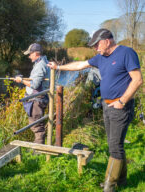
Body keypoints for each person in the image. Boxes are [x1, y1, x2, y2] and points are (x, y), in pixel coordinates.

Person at [47, 28, 143, 192]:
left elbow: (137, 80)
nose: (95, 48)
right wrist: (59, 67)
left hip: (120, 106)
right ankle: (121, 180)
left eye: (97, 44)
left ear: (107, 41)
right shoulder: (101, 57)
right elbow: (81, 64)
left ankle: (109, 185)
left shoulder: (126, 53)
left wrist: (122, 101)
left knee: (114, 145)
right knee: (115, 144)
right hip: (107, 105)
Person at [14, 43, 50, 144]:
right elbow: (36, 80)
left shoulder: (40, 65)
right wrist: (23, 78)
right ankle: (38, 147)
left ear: (36, 53)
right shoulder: (41, 62)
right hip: (38, 98)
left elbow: (34, 85)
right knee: (36, 123)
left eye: (30, 54)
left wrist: (21, 81)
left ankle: (38, 150)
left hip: (37, 99)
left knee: (36, 125)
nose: (29, 56)